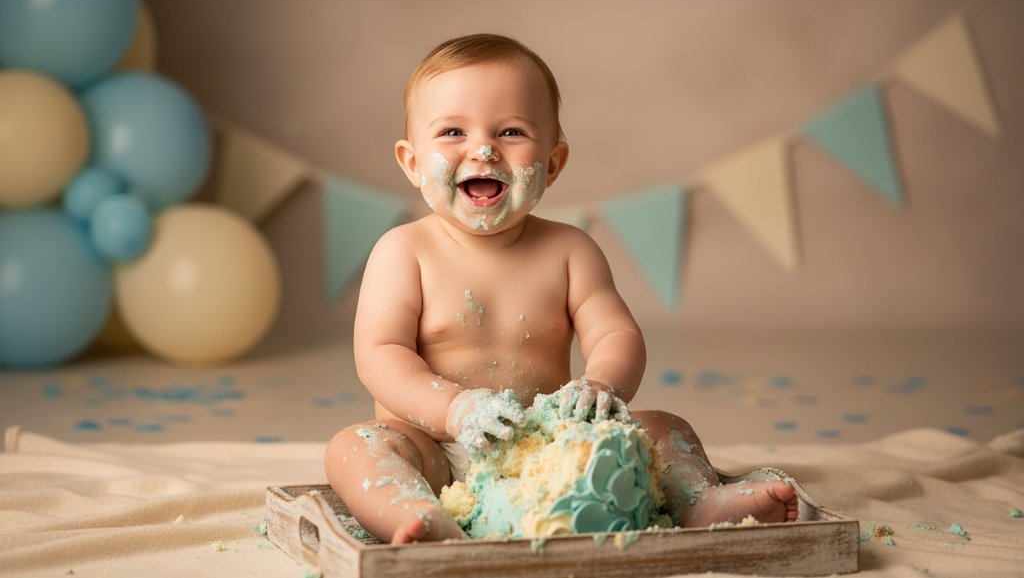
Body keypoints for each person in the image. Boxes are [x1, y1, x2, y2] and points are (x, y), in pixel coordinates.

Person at [324, 33, 799, 544]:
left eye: (510, 132)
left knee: (664, 427)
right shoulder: (403, 252)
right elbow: (380, 353)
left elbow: (616, 333)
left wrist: (601, 386)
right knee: (355, 447)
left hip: (556, 449)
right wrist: (453, 410)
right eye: (453, 132)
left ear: (551, 164)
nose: (482, 149)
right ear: (412, 162)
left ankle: (699, 501)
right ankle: (414, 514)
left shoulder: (570, 251)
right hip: (436, 450)